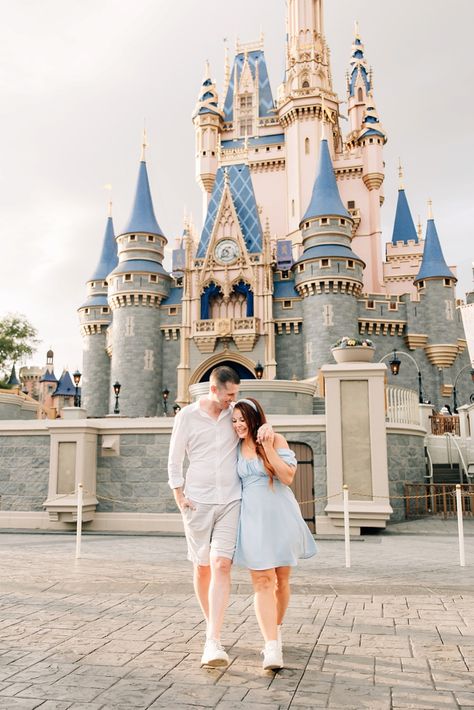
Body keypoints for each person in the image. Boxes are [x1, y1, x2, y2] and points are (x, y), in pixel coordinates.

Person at [167, 366, 271, 668]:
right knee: (202, 568)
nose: (233, 400)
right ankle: (211, 626)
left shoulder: (235, 413)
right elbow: (174, 460)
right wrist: (179, 496)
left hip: (230, 500)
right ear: (214, 390)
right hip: (197, 502)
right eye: (230, 394)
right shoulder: (186, 417)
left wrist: (269, 430)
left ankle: (213, 640)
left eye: (235, 395)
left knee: (221, 564)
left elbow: (258, 423)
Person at [231, 397, 317, 671]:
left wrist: (267, 447)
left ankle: (276, 629)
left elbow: (287, 477)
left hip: (280, 514)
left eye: (242, 419)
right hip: (253, 519)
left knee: (281, 580)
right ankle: (271, 646)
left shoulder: (275, 439)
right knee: (262, 580)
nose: (237, 425)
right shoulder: (233, 446)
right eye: (234, 420)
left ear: (254, 418)